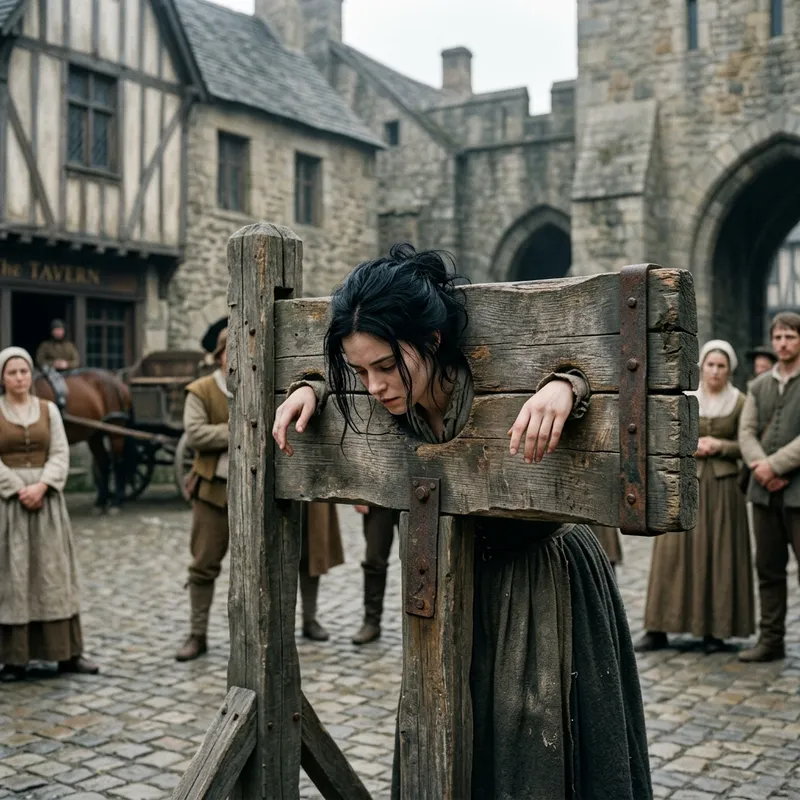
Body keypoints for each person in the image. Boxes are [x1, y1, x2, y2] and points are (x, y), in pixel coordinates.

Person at [273, 244, 651, 799]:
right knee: (443, 737)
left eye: (385, 366)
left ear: (431, 342)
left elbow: (610, 365)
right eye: (359, 370)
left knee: (536, 743)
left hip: (541, 582)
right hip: (443, 584)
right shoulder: (369, 395)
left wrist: (569, 385)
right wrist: (313, 385)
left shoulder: (483, 376)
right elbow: (338, 387)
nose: (374, 387)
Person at [176, 329, 342, 662]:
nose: (235, 358)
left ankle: (309, 620)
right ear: (219, 355)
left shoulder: (274, 382)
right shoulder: (202, 390)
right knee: (204, 561)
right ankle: (197, 634)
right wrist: (249, 425)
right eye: (229, 352)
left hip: (283, 483)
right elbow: (195, 434)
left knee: (309, 553)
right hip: (216, 488)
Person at [636, 340, 754, 654]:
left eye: (721, 366)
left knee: (719, 555)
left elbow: (748, 443)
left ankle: (715, 631)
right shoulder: (688, 399)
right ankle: (658, 627)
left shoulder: (741, 403)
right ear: (702, 366)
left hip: (723, 489)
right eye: (711, 365)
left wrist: (720, 446)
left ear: (729, 370)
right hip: (683, 483)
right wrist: (692, 444)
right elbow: (665, 432)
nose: (715, 371)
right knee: (672, 555)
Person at [0, 347, 98, 680]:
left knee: (54, 574)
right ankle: (15, 658)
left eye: (24, 372)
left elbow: (59, 452)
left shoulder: (49, 410)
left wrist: (43, 486)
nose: (19, 378)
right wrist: (17, 488)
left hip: (47, 503)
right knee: (14, 576)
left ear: (31, 375)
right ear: (3, 378)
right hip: (10, 506)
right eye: (12, 372)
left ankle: (66, 654)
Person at [738, 312, 800, 663]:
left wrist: (774, 465)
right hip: (764, 494)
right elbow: (746, 431)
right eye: (778, 337)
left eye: (790, 336)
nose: (783, 343)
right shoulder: (759, 386)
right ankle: (771, 640)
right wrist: (760, 468)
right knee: (769, 569)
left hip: (798, 494)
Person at [352, 505, 399, 644]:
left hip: (416, 490)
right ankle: (371, 622)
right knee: (374, 559)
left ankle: (421, 625)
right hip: (379, 496)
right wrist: (359, 494)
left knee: (419, 561)